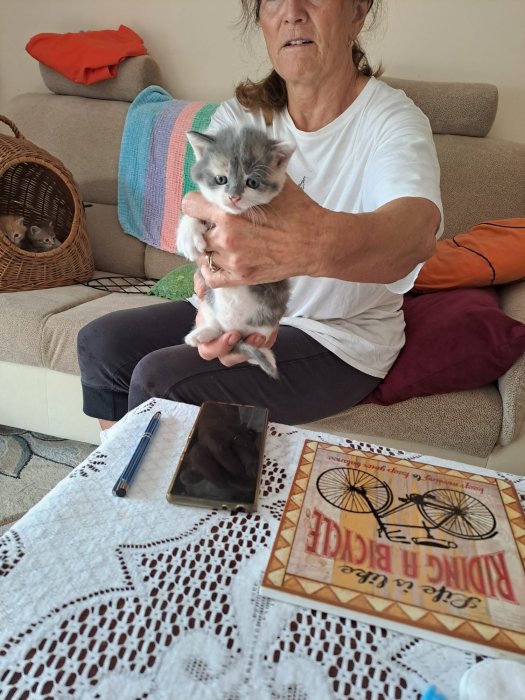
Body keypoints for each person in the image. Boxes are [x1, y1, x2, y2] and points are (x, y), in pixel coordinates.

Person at [77, 0, 442, 431]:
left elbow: (415, 236)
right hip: (244, 309)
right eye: (273, 0)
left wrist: (305, 242)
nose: (292, 12)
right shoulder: (241, 117)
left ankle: (163, 472)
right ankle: (121, 469)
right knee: (101, 343)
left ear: (357, 13)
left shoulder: (391, 119)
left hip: (337, 337)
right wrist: (210, 275)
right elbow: (215, 234)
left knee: (162, 380)